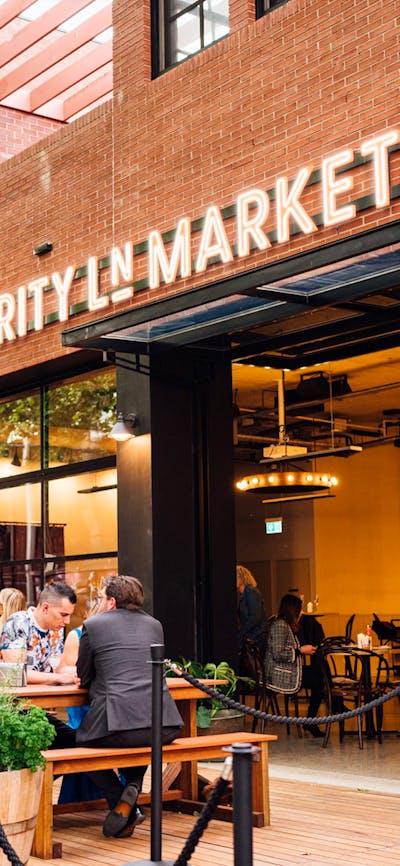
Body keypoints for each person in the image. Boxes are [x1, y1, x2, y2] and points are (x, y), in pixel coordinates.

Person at [76, 574, 183, 839]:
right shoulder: (154, 625)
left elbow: (84, 676)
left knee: (79, 746)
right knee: (142, 740)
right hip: (163, 724)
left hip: (117, 724)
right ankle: (133, 785)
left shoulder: (93, 625)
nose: (100, 602)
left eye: (101, 598)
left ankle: (120, 798)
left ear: (111, 601)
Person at [0, 581, 79, 748]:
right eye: (64, 614)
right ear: (45, 608)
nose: (67, 621)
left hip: (34, 709)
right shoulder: (18, 622)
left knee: (79, 742)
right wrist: (59, 677)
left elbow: (58, 667)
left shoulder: (56, 629)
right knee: (72, 743)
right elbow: (17, 674)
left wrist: (80, 672)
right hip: (11, 711)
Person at [264, 593, 325, 738]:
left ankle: (312, 719)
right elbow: (278, 653)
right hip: (279, 674)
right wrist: (300, 651)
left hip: (285, 669)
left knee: (319, 672)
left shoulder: (284, 624)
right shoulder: (280, 625)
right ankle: (310, 720)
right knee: (319, 678)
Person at [237, 564, 268, 656]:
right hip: (251, 635)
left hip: (256, 637)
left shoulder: (250, 592)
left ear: (242, 578)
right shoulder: (244, 594)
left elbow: (255, 617)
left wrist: (241, 632)